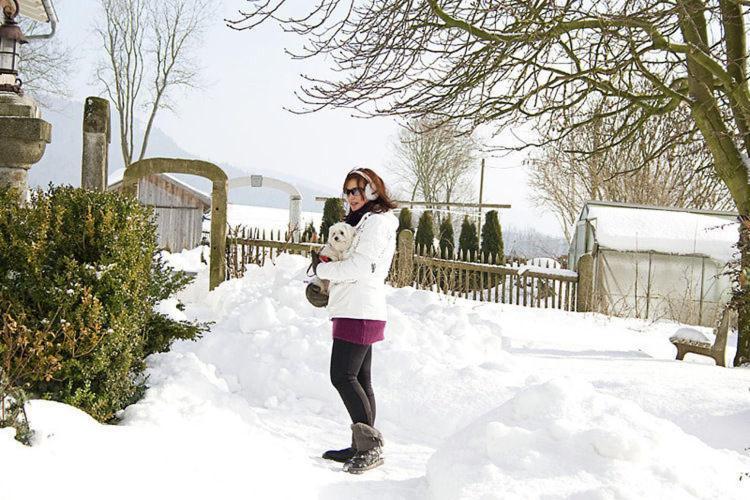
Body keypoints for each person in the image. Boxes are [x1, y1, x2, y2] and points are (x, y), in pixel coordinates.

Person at [312, 168, 399, 474]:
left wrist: (323, 273)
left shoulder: (376, 223)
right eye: (347, 192)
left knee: (342, 376)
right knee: (360, 379)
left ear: (373, 192)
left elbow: (361, 266)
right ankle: (360, 444)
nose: (351, 197)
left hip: (360, 308)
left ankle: (371, 447)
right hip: (352, 306)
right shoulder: (359, 222)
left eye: (358, 191)